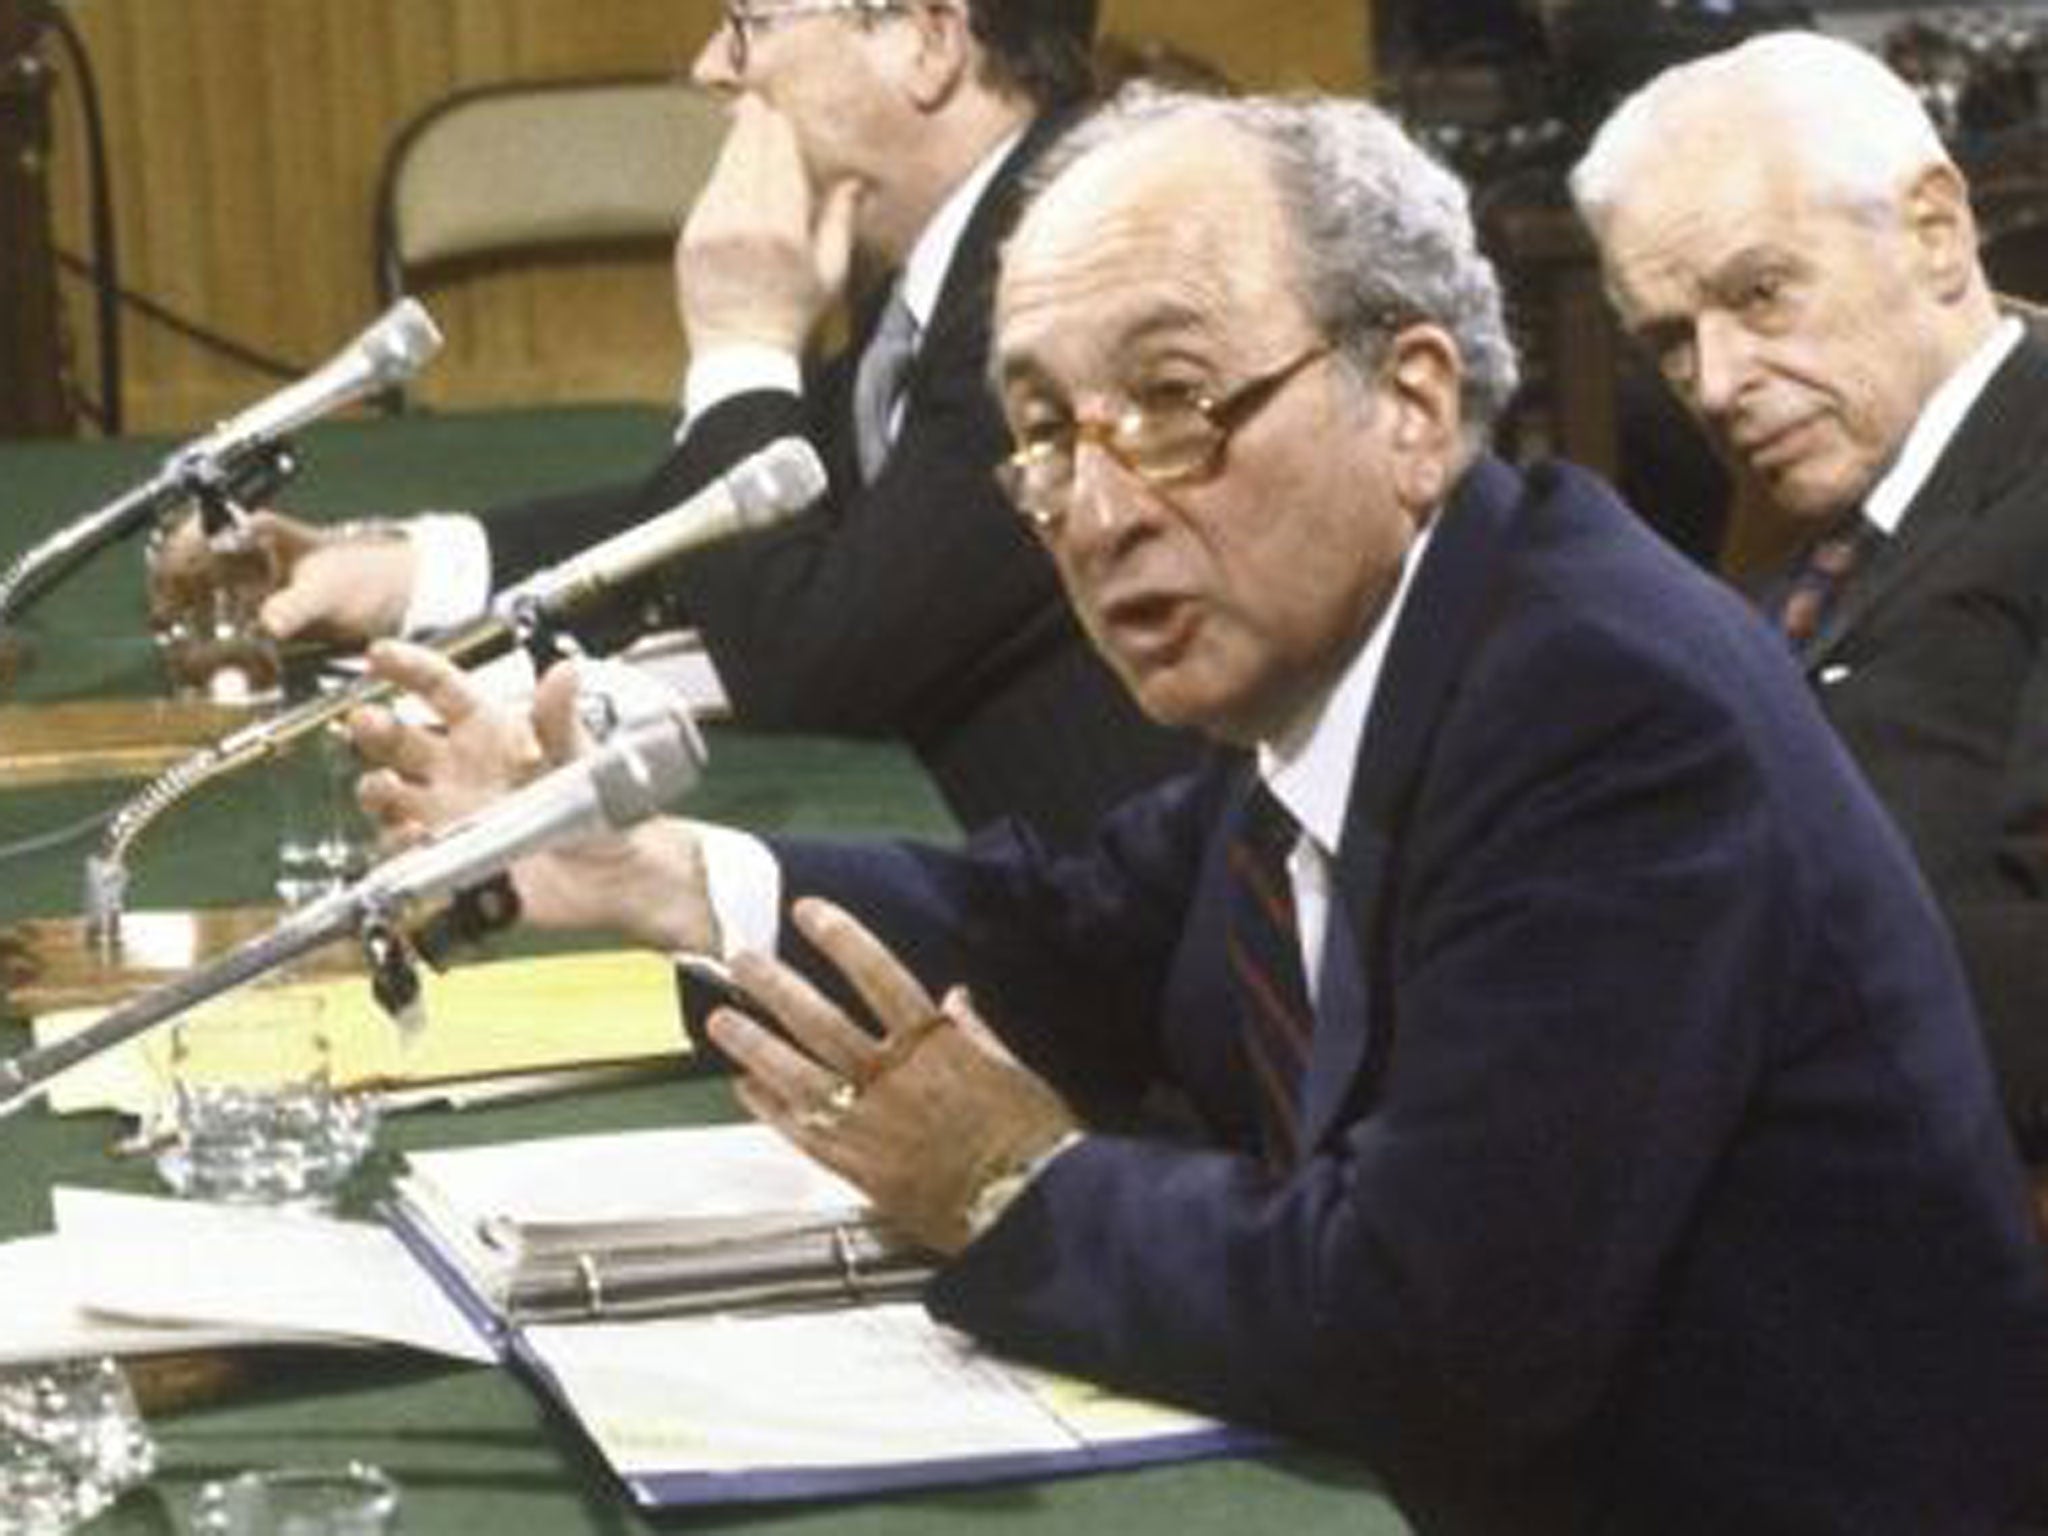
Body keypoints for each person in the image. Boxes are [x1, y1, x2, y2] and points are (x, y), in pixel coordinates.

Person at [351, 89, 2048, 1534]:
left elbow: (1422, 1325)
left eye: (1171, 406)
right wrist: (646, 872)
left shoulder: (1595, 706)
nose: (1094, 507)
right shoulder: (1379, 640)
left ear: (1411, 401)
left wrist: (1013, 1179)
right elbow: (1074, 932)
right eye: (1038, 433)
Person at [156, 0, 1196, 850]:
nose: (710, 66)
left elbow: (803, 657)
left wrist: (743, 340)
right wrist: (400, 571)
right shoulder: (973, 246)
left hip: (1143, 988)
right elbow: (727, 511)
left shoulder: (1061, 286)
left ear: (924, 37)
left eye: (748, 22)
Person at [1570, 30, 2048, 1160]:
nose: (1719, 384)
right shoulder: (1791, 532)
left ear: (1933, 231)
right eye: (1671, 342)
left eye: (1760, 294)